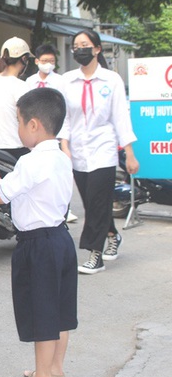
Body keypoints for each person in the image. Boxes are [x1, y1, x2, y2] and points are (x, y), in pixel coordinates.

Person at [0, 87, 77, 377]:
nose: (18, 128)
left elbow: (0, 193)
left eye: (19, 122)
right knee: (60, 310)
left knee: (42, 312)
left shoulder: (31, 162)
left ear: (33, 125)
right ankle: (55, 369)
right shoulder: (62, 158)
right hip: (61, 239)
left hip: (38, 244)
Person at [58, 30, 139, 274]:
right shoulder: (67, 81)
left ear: (96, 49)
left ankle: (95, 254)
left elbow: (120, 118)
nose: (80, 49)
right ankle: (113, 234)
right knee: (94, 203)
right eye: (76, 46)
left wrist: (130, 152)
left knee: (96, 202)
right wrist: (64, 145)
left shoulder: (111, 80)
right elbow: (65, 118)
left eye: (85, 45)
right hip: (78, 152)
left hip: (103, 149)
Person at [25, 44, 78, 223]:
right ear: (37, 61)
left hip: (53, 133)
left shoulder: (60, 82)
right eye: (45, 61)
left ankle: (63, 208)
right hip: (33, 134)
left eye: (51, 61)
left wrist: (64, 141)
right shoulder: (29, 82)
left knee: (56, 173)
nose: (48, 64)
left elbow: (66, 112)